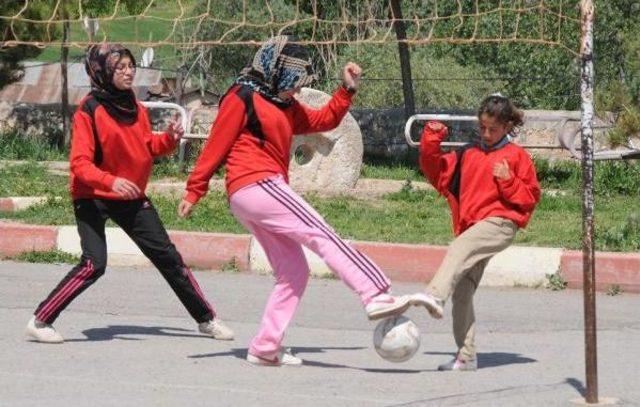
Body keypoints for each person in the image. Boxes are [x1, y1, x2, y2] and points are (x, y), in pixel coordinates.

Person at [178, 35, 417, 366]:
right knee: (322, 232)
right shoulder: (242, 95)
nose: (296, 91)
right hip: (256, 183)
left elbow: (324, 121)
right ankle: (375, 293)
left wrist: (346, 89)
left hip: (256, 193)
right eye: (294, 83)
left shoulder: (283, 104)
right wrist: (195, 189)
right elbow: (217, 143)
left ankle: (265, 346)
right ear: (276, 71)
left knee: (294, 271)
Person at [26, 43, 233, 343]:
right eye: (120, 67)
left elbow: (146, 146)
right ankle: (41, 320)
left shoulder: (132, 104)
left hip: (131, 196)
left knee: (168, 257)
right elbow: (79, 164)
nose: (128, 72)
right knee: (94, 264)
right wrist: (110, 181)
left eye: (130, 66)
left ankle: (207, 319)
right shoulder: (89, 110)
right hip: (92, 195)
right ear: (103, 72)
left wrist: (170, 140)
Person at [412, 94, 541, 371]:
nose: (486, 133)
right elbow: (435, 171)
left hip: (501, 224)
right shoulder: (468, 153)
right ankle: (466, 356)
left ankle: (435, 294)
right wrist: (431, 140)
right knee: (462, 291)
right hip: (473, 228)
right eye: (482, 127)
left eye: (493, 129)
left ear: (506, 126)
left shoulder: (516, 156)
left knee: (459, 248)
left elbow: (530, 199)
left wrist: (508, 181)